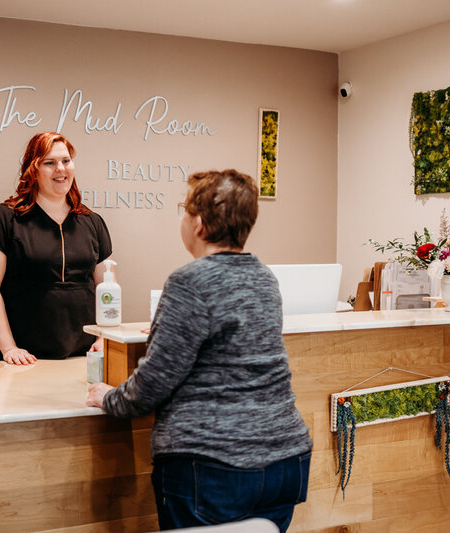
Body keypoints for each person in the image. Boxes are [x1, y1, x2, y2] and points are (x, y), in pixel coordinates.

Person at [86, 169, 312, 532]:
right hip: (285, 461)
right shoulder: (265, 279)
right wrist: (170, 329)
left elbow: (152, 386)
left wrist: (108, 398)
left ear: (200, 224)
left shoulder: (189, 281)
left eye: (185, 212)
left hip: (213, 468)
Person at [0, 132, 113, 365]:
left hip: (84, 355)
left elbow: (107, 285)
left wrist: (105, 335)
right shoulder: (4, 218)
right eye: (50, 163)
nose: (61, 169)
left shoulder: (92, 221)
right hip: (24, 358)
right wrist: (9, 348)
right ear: (33, 169)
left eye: (66, 161)